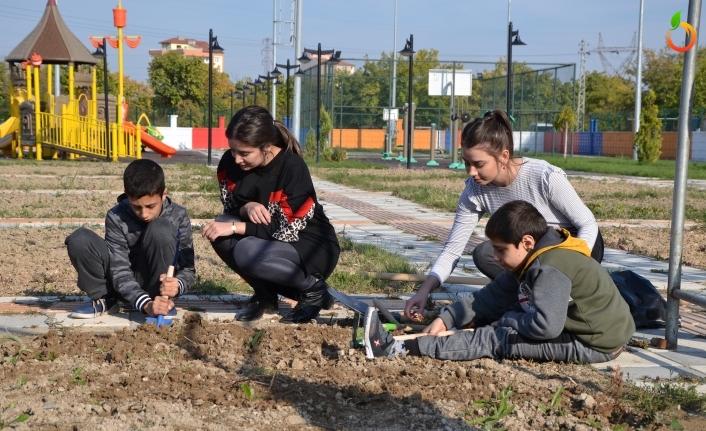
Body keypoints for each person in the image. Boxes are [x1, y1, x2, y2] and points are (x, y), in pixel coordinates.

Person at [365, 200, 634, 363]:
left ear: (527, 242)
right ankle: (416, 341)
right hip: (580, 328)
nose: (494, 257)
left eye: (501, 250)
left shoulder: (550, 267)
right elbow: (489, 297)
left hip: (595, 343)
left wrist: (506, 321)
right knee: (501, 315)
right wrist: (447, 318)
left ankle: (400, 348)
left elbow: (546, 327)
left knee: (499, 338)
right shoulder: (535, 256)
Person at [404, 109, 603, 320]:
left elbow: (588, 224)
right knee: (485, 253)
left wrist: (572, 268)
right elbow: (453, 249)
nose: (471, 172)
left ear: (503, 156)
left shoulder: (544, 176)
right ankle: (526, 297)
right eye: (466, 163)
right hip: (530, 252)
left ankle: (564, 294)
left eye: (479, 164)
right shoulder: (474, 191)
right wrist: (424, 291)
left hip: (574, 247)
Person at [202, 106, 340, 324]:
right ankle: (266, 297)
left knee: (246, 249)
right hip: (268, 243)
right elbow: (230, 210)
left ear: (266, 147)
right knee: (219, 228)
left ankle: (314, 291)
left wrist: (236, 227)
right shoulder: (229, 165)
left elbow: (287, 230)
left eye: (245, 153)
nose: (236, 159)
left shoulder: (292, 167)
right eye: (233, 150)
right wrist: (245, 208)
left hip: (309, 247)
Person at [65, 159, 195, 319]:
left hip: (156, 286)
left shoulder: (178, 215)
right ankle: (105, 299)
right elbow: (119, 269)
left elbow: (188, 269)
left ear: (164, 194)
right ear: (127, 195)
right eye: (136, 207)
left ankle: (161, 302)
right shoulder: (116, 216)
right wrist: (146, 305)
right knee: (79, 239)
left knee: (161, 228)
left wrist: (177, 285)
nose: (144, 214)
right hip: (119, 283)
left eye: (150, 206)